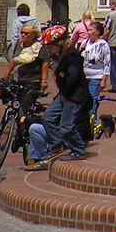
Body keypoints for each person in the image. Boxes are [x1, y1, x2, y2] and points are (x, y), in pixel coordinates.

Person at [25, 25, 91, 168]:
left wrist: (65, 95)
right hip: (65, 94)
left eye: (50, 46)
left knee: (66, 126)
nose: (48, 49)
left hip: (74, 96)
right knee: (48, 117)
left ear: (59, 43)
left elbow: (72, 78)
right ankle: (57, 145)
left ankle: (78, 150)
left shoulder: (72, 57)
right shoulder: (63, 56)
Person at [5, 22, 47, 94]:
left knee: (25, 102)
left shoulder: (39, 47)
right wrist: (7, 73)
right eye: (22, 33)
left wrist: (44, 81)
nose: (23, 35)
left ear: (33, 35)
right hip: (17, 79)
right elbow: (13, 59)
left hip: (31, 81)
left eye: (26, 33)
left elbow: (45, 64)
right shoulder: (19, 44)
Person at [80, 19, 110, 103]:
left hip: (96, 77)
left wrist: (104, 80)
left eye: (91, 30)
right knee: (82, 102)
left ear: (97, 32)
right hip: (83, 77)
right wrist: (81, 49)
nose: (88, 32)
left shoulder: (103, 44)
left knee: (92, 102)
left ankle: (92, 116)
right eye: (88, 30)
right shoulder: (85, 42)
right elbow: (79, 59)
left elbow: (107, 63)